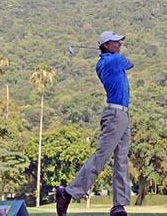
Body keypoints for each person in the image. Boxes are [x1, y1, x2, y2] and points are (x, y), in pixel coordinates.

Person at [57, 30, 134, 216]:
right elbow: (131, 64)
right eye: (115, 42)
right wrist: (116, 55)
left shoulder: (106, 60)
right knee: (102, 156)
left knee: (121, 159)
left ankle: (119, 205)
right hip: (115, 114)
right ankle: (68, 193)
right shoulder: (113, 60)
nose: (119, 44)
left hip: (123, 114)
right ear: (106, 45)